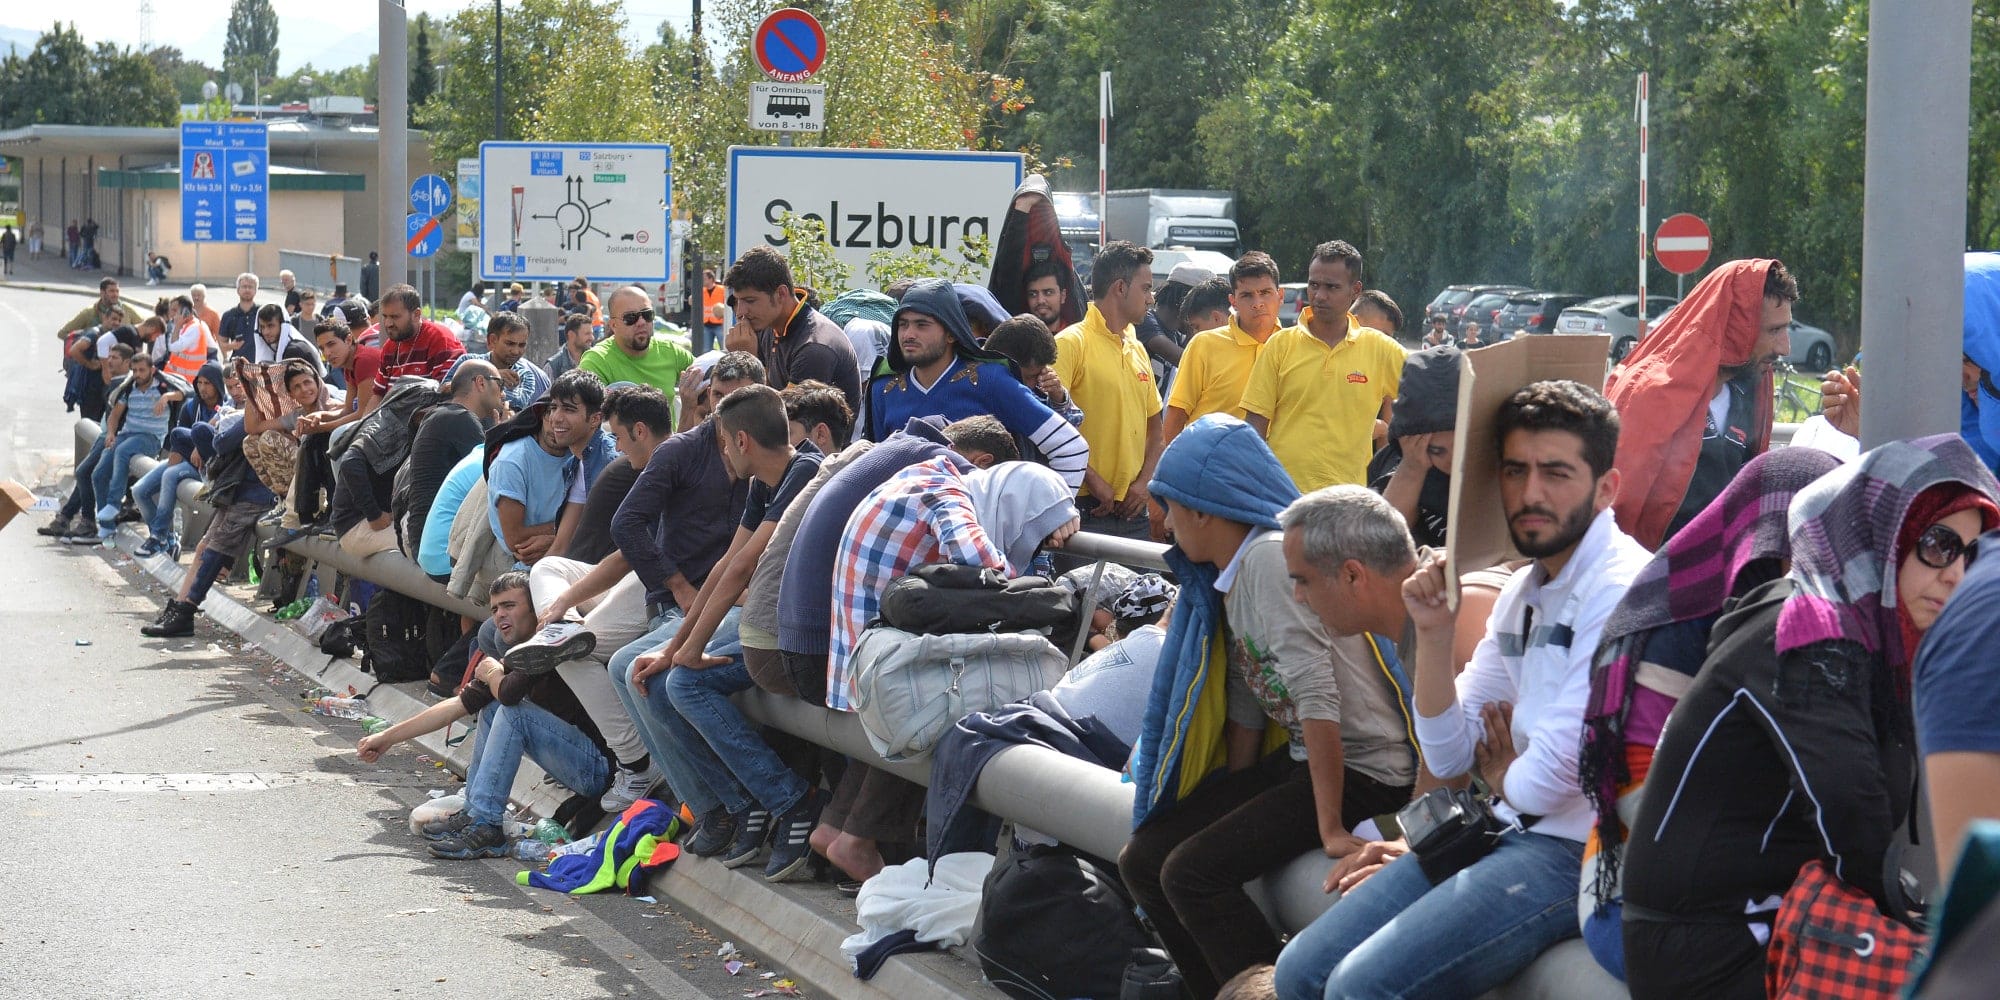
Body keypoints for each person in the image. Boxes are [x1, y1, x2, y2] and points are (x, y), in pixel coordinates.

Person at [1274, 379, 1651, 1000]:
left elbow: (1553, 779)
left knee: (1355, 991)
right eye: (1514, 471)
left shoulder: (1619, 586)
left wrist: (1506, 778)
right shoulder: (1525, 594)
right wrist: (1434, 630)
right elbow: (1450, 756)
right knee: (1299, 972)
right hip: (1501, 826)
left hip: (1575, 851)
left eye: (1556, 473)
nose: (1530, 494)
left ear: (1606, 488)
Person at [1620, 435, 1997, 999]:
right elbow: (1851, 811)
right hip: (1706, 940)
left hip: (1774, 913)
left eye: (1976, 554)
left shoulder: (1874, 636)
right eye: (1940, 544)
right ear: (1884, 532)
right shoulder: (1809, 627)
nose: (1956, 574)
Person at [1121, 419, 1418, 998]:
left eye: (1171, 508)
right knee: (1144, 860)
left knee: (1192, 874)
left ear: (1204, 510)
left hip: (1366, 770)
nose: (1164, 522)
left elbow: (1317, 696)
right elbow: (1247, 697)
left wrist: (1329, 826)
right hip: (1310, 763)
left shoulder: (1265, 563)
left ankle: (1270, 991)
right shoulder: (1229, 575)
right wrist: (1234, 792)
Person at [1568, 447, 1841, 981]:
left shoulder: (1695, 593)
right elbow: (1643, 802)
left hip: (1654, 891)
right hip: (1636, 914)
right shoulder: (1702, 626)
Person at [817, 457, 1079, 883]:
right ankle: (858, 842)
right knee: (942, 711)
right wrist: (1024, 581)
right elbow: (982, 560)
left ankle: (835, 825)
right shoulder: (945, 492)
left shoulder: (918, 476)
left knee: (916, 700)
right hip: (881, 667)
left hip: (858, 661)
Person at [625, 385, 831, 881]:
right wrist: (676, 649)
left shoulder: (804, 472)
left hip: (805, 638)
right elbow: (722, 568)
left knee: (685, 684)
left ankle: (792, 801)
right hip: (767, 626)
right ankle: (739, 806)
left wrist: (687, 656)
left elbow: (744, 566)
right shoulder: (764, 480)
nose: (720, 453)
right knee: (661, 678)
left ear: (741, 440)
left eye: (721, 442)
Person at [357, 572, 615, 860]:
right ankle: (474, 812)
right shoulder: (521, 654)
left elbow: (509, 694)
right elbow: (457, 706)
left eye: (509, 606)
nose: (500, 617)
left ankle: (487, 825)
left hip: (600, 770)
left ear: (538, 609)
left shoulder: (551, 644)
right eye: (494, 610)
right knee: (492, 707)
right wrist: (387, 737)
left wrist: (492, 673)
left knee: (511, 711)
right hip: (576, 763)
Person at [1604, 258, 1797, 547]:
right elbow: (1614, 515)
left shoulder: (1748, 392)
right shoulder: (1652, 394)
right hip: (1655, 579)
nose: (1785, 347)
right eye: (1773, 331)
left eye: (1785, 330)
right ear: (1735, 328)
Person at [864, 279, 1089, 487]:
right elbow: (874, 472)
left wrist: (1050, 518)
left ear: (951, 334)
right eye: (903, 324)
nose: (908, 334)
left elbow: (1071, 448)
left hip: (977, 527)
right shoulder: (884, 388)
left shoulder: (989, 380)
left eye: (922, 325)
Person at [1240, 240, 1404, 494]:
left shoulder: (1381, 350)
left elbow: (1432, 392)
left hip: (1348, 503)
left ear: (1355, 290)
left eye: (1332, 287)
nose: (1319, 295)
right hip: (1283, 499)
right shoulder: (1280, 345)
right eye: (1314, 285)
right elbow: (1255, 426)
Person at [140, 409, 283, 638]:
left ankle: (186, 611)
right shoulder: (255, 407)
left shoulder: (277, 410)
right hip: (235, 489)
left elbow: (224, 442)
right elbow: (221, 441)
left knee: (214, 552)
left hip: (257, 495)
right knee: (203, 548)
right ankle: (179, 607)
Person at [1054, 241, 1163, 540]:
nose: (1151, 299)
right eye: (1146, 288)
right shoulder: (1070, 344)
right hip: (1084, 509)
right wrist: (1092, 478)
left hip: (1134, 512)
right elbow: (1048, 428)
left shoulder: (1137, 347)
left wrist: (1143, 485)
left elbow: (1157, 431)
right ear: (1120, 288)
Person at [485, 369, 609, 566]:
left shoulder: (592, 459)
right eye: (552, 409)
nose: (556, 419)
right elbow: (517, 542)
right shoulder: (512, 461)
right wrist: (560, 536)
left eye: (568, 409)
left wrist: (560, 538)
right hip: (522, 558)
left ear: (595, 419)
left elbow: (600, 533)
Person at [1164, 252, 1285, 447]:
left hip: (1272, 473)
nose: (1257, 303)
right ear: (1233, 301)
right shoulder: (1204, 345)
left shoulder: (1292, 346)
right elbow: (1174, 421)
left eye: (1265, 293)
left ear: (1280, 296)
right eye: (1247, 295)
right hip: (1209, 471)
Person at [724, 246, 863, 414]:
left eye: (750, 301)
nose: (740, 312)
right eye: (738, 301)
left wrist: (748, 362)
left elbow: (784, 419)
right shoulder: (767, 326)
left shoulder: (814, 346)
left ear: (781, 294)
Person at [399, 358, 506, 557]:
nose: (503, 392)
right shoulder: (460, 420)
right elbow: (496, 478)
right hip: (436, 548)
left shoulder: (445, 414)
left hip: (420, 537)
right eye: (500, 384)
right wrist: (504, 432)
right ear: (481, 383)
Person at [1366, 345, 1461, 549]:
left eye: (1463, 447)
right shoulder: (1390, 463)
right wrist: (1411, 468)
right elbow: (1377, 547)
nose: (1453, 460)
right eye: (1437, 450)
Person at [92, 352, 184, 537]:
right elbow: (115, 415)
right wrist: (111, 433)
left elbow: (183, 393)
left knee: (123, 451)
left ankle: (114, 503)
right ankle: (107, 525)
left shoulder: (162, 387)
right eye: (134, 370)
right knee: (99, 474)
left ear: (152, 370)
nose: (138, 374)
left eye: (142, 370)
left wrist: (166, 398)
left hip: (150, 438)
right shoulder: (129, 389)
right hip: (127, 434)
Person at [579, 285, 694, 397]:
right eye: (630, 317)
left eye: (647, 314)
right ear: (613, 325)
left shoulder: (671, 352)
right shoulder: (597, 361)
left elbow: (708, 375)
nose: (641, 322)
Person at [981, 314, 1084, 429]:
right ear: (1001, 362)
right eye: (1029, 377)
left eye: (1038, 375)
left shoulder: (1035, 390)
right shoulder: (970, 388)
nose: (1032, 385)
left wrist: (1058, 398)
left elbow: (1068, 431)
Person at [446, 312, 549, 412]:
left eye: (521, 345)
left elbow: (519, 404)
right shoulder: (468, 362)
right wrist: (492, 377)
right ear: (493, 340)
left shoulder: (525, 375)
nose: (516, 351)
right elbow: (443, 391)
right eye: (510, 344)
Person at [374, 284, 465, 392]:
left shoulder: (440, 339)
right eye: (385, 316)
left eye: (395, 317)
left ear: (416, 314)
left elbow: (446, 394)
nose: (388, 323)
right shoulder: (389, 347)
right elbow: (378, 394)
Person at [239, 303, 319, 370]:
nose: (266, 332)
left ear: (282, 326)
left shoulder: (293, 350)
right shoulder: (278, 349)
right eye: (262, 327)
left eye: (270, 326)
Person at [215, 273, 260, 358]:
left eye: (250, 287)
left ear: (256, 290)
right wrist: (232, 346)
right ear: (238, 290)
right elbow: (222, 344)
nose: (247, 290)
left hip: (260, 365)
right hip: (238, 366)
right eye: (244, 286)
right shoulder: (228, 315)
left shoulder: (263, 313)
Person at [1022, 260, 1069, 329]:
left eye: (1048, 292)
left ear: (1062, 296)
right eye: (1033, 294)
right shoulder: (1017, 337)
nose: (1040, 301)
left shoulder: (1077, 337)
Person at [546, 313, 594, 380]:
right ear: (571, 335)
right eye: (587, 334)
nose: (592, 338)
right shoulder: (553, 366)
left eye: (592, 333)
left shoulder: (595, 360)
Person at [700, 268, 726, 356]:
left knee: (724, 348)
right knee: (706, 350)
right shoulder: (701, 291)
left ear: (711, 279)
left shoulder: (722, 290)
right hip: (706, 324)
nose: (702, 281)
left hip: (719, 324)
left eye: (704, 279)